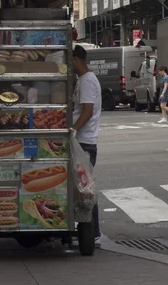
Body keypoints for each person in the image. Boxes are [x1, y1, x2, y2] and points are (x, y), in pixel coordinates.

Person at [72, 44, 102, 246]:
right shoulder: (81, 80)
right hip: (81, 142)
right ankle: (90, 230)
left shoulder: (88, 81)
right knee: (82, 188)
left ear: (75, 59)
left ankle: (94, 232)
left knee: (86, 190)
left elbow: (88, 111)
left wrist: (73, 129)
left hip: (85, 143)